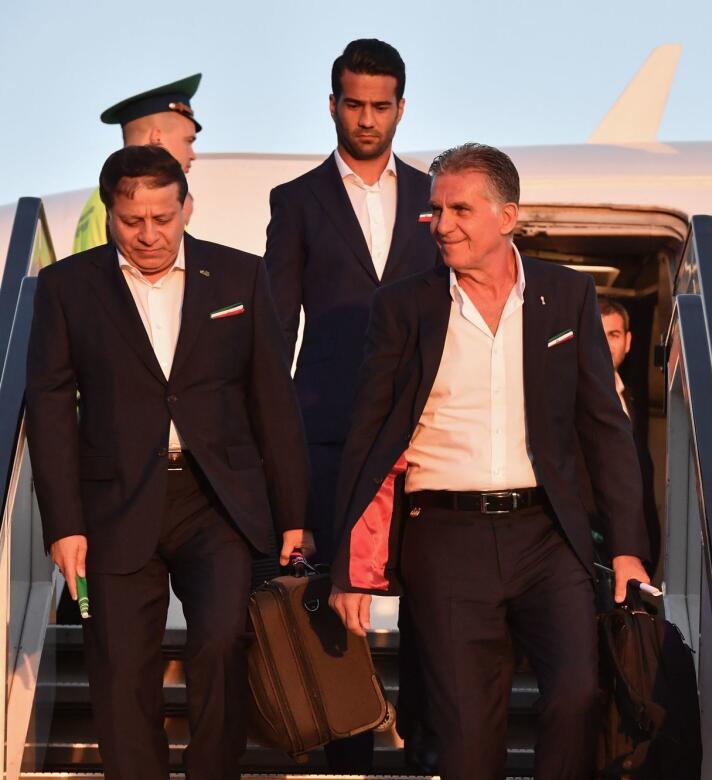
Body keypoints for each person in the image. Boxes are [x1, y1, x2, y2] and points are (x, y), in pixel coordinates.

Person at [328, 143, 651, 780]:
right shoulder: (404, 306)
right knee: (467, 731)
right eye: (436, 210)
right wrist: (349, 566)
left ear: (507, 217)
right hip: (444, 538)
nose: (442, 224)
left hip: (546, 535)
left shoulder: (568, 296)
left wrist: (626, 548)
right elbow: (366, 438)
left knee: (575, 693)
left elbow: (604, 430)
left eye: (460, 210)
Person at [26, 145, 312, 779]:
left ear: (187, 206)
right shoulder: (67, 287)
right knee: (120, 664)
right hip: (113, 505)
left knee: (220, 642)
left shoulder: (241, 276)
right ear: (111, 214)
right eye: (133, 221)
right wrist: (63, 524)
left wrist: (294, 511)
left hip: (217, 502)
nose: (149, 235)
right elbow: (49, 409)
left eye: (163, 217)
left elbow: (273, 398)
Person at [263, 37, 438, 771]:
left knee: (435, 609)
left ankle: (430, 751)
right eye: (354, 104)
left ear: (401, 107)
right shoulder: (297, 201)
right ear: (333, 104)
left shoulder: (438, 198)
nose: (367, 119)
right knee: (338, 615)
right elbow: (275, 329)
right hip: (329, 434)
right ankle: (346, 760)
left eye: (381, 105)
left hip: (425, 437)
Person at [73, 74, 201, 253]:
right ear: (157, 137)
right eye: (188, 141)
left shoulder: (99, 197)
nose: (192, 154)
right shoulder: (128, 194)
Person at [598, 297, 661, 569]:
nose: (605, 344)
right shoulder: (567, 397)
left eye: (613, 334)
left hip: (634, 542)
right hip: (593, 543)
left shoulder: (630, 397)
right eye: (596, 334)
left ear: (628, 341)